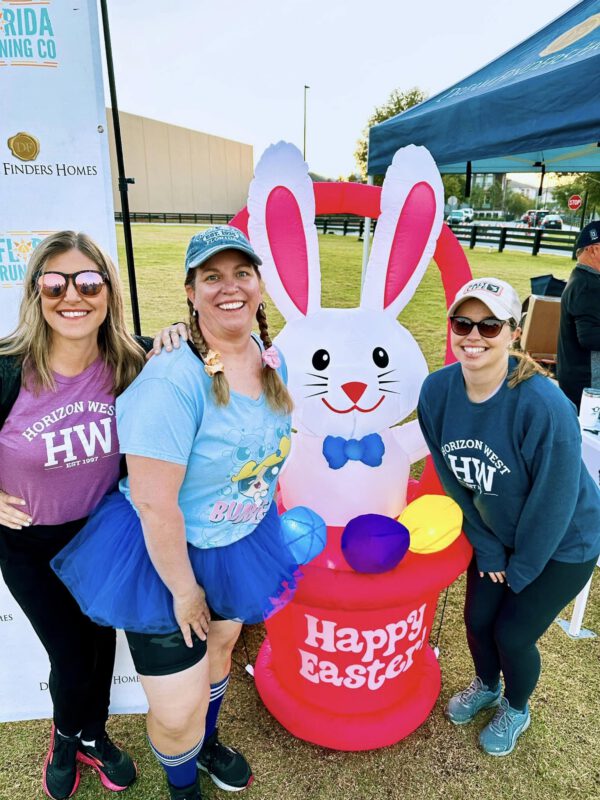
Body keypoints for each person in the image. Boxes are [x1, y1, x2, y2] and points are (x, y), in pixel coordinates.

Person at [53, 226, 305, 800]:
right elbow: (153, 502)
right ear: (191, 292)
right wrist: (185, 591)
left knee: (219, 653)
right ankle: (182, 784)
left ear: (259, 285)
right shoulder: (172, 378)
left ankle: (207, 743)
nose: (229, 287)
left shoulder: (271, 359)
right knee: (174, 710)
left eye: (241, 273)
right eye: (212, 277)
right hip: (165, 558)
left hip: (239, 542)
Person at [0, 230, 186, 799]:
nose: (72, 296)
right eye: (54, 284)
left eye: (88, 282)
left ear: (108, 291)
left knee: (101, 647)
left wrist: (181, 335)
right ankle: (66, 737)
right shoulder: (7, 368)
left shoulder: (134, 362)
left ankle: (92, 734)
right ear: (36, 292)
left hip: (105, 536)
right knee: (69, 653)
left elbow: (205, 365)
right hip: (30, 545)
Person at [417, 276, 600, 757]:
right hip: (499, 533)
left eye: (490, 325)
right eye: (463, 323)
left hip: (564, 542)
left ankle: (516, 707)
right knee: (478, 620)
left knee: (513, 634)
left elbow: (555, 501)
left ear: (514, 332)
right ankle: (486, 684)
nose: (474, 336)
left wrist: (521, 569)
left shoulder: (543, 405)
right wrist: (488, 545)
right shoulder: (436, 392)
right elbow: (451, 477)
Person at [557, 220, 600, 410]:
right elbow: (590, 338)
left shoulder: (582, 279)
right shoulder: (588, 286)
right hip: (589, 384)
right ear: (594, 249)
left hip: (576, 378)